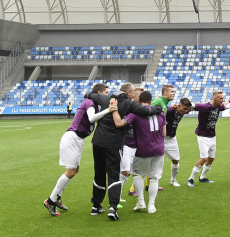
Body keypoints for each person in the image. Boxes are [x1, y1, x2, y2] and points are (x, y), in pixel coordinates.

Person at [85, 82, 163, 220]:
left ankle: (96, 206)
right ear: (128, 93)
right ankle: (112, 208)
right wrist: (159, 108)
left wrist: (94, 97)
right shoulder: (129, 104)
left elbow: (89, 94)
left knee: (99, 173)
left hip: (97, 141)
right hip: (113, 143)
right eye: (133, 92)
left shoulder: (105, 98)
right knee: (114, 174)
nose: (134, 95)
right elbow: (147, 111)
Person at [43, 83, 111, 217]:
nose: (107, 95)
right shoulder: (90, 102)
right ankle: (51, 200)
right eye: (105, 93)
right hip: (73, 137)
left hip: (77, 139)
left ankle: (57, 198)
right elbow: (91, 118)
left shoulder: (94, 104)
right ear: (99, 93)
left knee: (75, 170)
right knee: (71, 171)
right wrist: (109, 110)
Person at [113, 91, 167, 214]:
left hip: (143, 149)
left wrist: (114, 111)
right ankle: (151, 206)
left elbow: (119, 123)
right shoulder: (160, 113)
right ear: (151, 100)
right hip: (158, 149)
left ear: (139, 100)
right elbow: (164, 134)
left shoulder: (135, 113)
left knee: (137, 175)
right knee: (154, 178)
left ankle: (141, 202)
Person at [187, 91, 226, 187]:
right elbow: (192, 105)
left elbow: (226, 106)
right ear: (215, 98)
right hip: (202, 136)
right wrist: (181, 104)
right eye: (221, 98)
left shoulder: (218, 107)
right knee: (204, 158)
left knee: (211, 159)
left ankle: (202, 177)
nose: (223, 100)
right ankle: (190, 179)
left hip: (212, 136)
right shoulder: (205, 106)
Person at [164, 98, 193, 187]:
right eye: (184, 109)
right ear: (179, 106)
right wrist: (170, 106)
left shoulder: (184, 110)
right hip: (160, 138)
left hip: (172, 138)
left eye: (187, 109)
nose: (186, 111)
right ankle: (152, 183)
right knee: (155, 163)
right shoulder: (168, 111)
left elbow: (191, 108)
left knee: (176, 160)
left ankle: (173, 180)